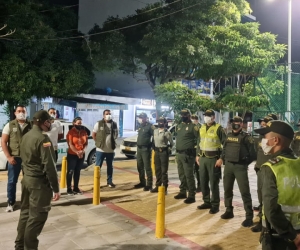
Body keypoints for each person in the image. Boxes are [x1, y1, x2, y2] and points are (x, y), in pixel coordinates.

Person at [14, 110, 60, 250]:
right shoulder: (43, 139)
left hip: (26, 180)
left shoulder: (26, 136)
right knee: (36, 218)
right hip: (38, 184)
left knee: (25, 214)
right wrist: (55, 188)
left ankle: (19, 246)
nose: (50, 124)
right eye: (49, 122)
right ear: (44, 122)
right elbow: (49, 166)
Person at [254, 120, 300, 250]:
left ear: (275, 141)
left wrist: (293, 236)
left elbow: (271, 210)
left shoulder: (270, 168)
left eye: (265, 137)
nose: (263, 141)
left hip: (278, 237)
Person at [220, 116, 256, 227]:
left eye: (237, 122)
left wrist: (245, 163)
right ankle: (229, 210)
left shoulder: (246, 137)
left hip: (240, 167)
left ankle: (249, 216)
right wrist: (222, 158)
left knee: (244, 192)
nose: (235, 124)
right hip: (229, 166)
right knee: (227, 189)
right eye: (233, 122)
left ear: (241, 124)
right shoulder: (229, 135)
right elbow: (224, 149)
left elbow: (253, 154)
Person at [1, 105, 32, 212]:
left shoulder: (31, 125)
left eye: (23, 111)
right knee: (11, 181)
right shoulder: (9, 125)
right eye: (19, 111)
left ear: (26, 112)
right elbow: (3, 142)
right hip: (15, 159)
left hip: (28, 159)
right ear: (15, 113)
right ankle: (11, 202)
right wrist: (9, 157)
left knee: (28, 181)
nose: (21, 113)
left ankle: (27, 202)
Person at [196, 109, 226, 214]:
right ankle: (206, 202)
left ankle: (215, 205)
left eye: (208, 116)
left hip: (214, 159)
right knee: (203, 181)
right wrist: (197, 155)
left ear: (213, 117)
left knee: (214, 183)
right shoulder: (202, 127)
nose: (206, 117)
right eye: (205, 115)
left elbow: (225, 144)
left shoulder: (219, 128)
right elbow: (199, 142)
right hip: (203, 158)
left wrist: (221, 158)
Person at [251, 116, 273, 233]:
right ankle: (262, 220)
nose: (262, 124)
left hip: (271, 171)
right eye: (262, 123)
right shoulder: (260, 138)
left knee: (268, 197)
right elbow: (257, 153)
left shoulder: (275, 139)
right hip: (260, 169)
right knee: (261, 196)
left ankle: (266, 223)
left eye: (265, 123)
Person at [174, 109, 199, 204]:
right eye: (182, 115)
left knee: (189, 175)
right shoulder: (179, 126)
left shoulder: (193, 127)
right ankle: (182, 191)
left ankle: (191, 195)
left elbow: (198, 139)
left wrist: (196, 152)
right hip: (179, 154)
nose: (183, 116)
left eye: (185, 115)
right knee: (181, 174)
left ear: (189, 115)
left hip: (188, 155)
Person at [92, 109, 118, 187]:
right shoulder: (98, 124)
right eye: (107, 114)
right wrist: (98, 143)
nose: (108, 115)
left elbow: (116, 134)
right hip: (100, 150)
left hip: (110, 150)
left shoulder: (114, 124)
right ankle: (96, 182)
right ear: (103, 115)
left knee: (110, 167)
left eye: (109, 114)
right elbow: (94, 134)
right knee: (98, 166)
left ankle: (109, 182)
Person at [151, 117, 173, 194]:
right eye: (159, 121)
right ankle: (157, 186)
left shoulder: (167, 132)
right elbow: (153, 141)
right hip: (156, 152)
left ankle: (164, 188)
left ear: (165, 123)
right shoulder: (155, 131)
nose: (160, 123)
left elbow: (171, 144)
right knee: (157, 170)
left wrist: (168, 150)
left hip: (163, 152)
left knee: (164, 171)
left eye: (162, 122)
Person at [66, 117, 88, 195]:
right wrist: (77, 152)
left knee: (77, 171)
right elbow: (70, 144)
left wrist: (82, 151)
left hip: (81, 155)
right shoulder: (70, 132)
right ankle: (69, 189)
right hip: (72, 155)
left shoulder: (84, 132)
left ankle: (76, 187)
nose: (80, 125)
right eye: (78, 123)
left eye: (81, 123)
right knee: (70, 171)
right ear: (74, 123)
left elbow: (86, 143)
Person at [134, 112, 155, 191]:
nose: (140, 119)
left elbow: (155, 136)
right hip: (139, 149)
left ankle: (149, 184)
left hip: (146, 149)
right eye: (140, 117)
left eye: (142, 117)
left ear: (145, 118)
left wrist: (151, 145)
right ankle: (142, 182)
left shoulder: (150, 126)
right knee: (140, 166)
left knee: (147, 167)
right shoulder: (140, 126)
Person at [191, 114, 201, 192]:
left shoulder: (200, 127)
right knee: (191, 169)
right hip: (190, 150)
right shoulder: (191, 127)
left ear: (197, 120)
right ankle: (191, 186)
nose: (193, 120)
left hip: (198, 151)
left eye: (194, 119)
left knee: (198, 170)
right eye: (192, 119)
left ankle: (200, 186)